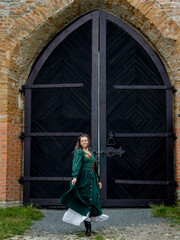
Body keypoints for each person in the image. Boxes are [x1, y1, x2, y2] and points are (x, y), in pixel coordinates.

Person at [58, 134, 108, 237]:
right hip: (83, 179)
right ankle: (88, 228)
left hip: (92, 180)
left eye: (86, 140)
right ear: (80, 143)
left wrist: (98, 180)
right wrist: (75, 176)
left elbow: (95, 168)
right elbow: (76, 165)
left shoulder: (91, 153)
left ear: (88, 141)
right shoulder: (79, 152)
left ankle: (90, 220)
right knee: (85, 200)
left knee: (93, 199)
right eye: (82, 141)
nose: (84, 142)